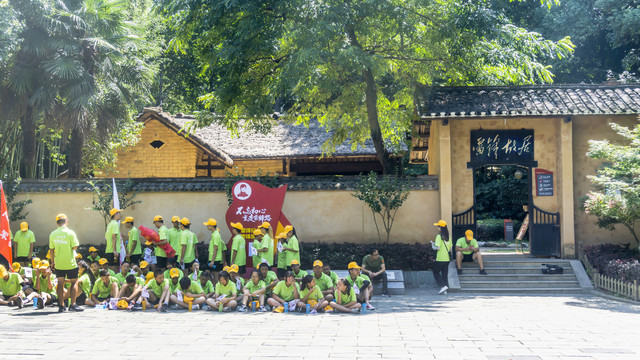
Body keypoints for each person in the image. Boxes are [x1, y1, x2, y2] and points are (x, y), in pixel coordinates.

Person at [49, 213, 83, 312]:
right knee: (74, 282)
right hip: (70, 263)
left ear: (57, 223)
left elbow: (51, 250)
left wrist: (52, 262)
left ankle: (61, 306)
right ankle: (73, 305)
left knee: (60, 284)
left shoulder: (52, 234)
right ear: (66, 222)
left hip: (59, 263)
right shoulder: (71, 233)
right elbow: (75, 246)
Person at [432, 220, 452, 295]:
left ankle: (442, 286)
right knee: (444, 273)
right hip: (447, 259)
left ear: (441, 228)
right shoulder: (448, 237)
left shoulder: (439, 236)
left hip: (440, 258)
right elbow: (450, 248)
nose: (437, 227)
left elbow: (437, 247)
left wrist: (432, 245)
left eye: (438, 226)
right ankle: (446, 288)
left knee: (435, 272)